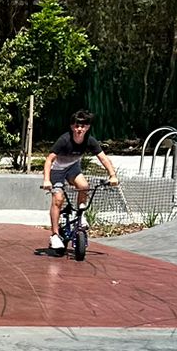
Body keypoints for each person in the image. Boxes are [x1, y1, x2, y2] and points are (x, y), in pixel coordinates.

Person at [46, 109, 121, 255]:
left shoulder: (90, 141)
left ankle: (80, 214)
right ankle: (55, 235)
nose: (79, 129)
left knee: (84, 186)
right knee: (58, 199)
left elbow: (103, 159)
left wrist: (112, 175)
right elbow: (49, 160)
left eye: (83, 126)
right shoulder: (64, 140)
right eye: (76, 126)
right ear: (72, 126)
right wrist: (47, 180)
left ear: (87, 127)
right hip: (57, 171)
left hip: (73, 168)